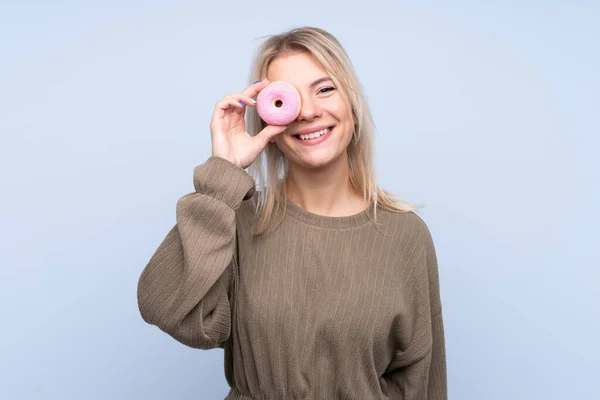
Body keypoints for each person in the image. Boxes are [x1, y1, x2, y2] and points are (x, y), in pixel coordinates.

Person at [137, 26, 447, 399]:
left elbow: (422, 382)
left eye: (325, 88)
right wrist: (224, 174)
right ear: (269, 116)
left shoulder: (406, 234)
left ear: (352, 102)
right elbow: (169, 310)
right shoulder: (235, 219)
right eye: (288, 99)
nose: (310, 111)